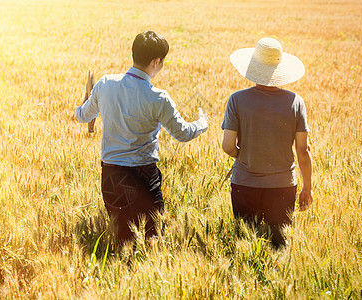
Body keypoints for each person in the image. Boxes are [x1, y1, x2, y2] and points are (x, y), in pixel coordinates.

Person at [76, 31, 208, 245]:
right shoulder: (158, 97)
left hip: (111, 175)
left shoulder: (105, 84)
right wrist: (202, 122)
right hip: (144, 177)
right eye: (162, 62)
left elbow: (82, 116)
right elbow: (183, 133)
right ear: (156, 62)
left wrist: (84, 103)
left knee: (121, 238)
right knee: (151, 239)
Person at [221, 37, 313, 248]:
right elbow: (303, 149)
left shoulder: (237, 100)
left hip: (245, 184)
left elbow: (227, 146)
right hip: (282, 186)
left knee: (245, 244)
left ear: (253, 67)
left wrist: (242, 154)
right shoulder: (295, 102)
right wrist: (307, 187)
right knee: (279, 246)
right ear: (279, 68)